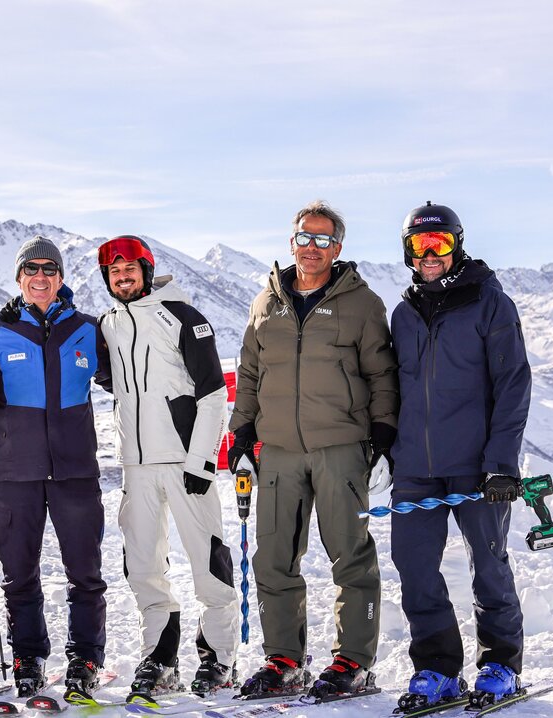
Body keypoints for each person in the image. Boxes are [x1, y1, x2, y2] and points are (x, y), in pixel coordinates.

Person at [229, 200, 398, 699]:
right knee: (274, 557)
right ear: (292, 241)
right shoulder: (267, 301)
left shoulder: (362, 303)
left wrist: (383, 440)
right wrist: (240, 437)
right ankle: (283, 660)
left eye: (324, 240)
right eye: (306, 237)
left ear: (337, 247)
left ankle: (354, 662)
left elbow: (382, 376)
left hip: (340, 447)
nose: (313, 247)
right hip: (278, 449)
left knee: (351, 557)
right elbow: (250, 375)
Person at [0, 236, 108, 699]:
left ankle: (85, 659)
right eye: (31, 270)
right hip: (16, 472)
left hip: (76, 471)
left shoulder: (87, 329)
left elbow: (127, 383)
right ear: (19, 277)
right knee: (19, 572)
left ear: (60, 278)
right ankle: (28, 656)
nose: (40, 277)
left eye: (50, 269)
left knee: (85, 571)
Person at [388, 202, 532, 709]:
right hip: (415, 468)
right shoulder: (403, 313)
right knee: (413, 567)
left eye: (439, 244)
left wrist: (502, 462)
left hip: (477, 465)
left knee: (488, 565)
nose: (429, 255)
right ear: (408, 250)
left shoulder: (490, 303)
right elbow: (395, 390)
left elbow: (513, 384)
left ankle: (500, 664)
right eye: (420, 246)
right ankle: (436, 668)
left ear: (457, 245)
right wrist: (390, 448)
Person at [92, 235, 238, 696]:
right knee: (143, 568)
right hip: (136, 467)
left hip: (183, 462)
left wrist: (201, 461)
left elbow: (213, 392)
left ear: (147, 270)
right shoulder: (108, 323)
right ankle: (160, 659)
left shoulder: (183, 316)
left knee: (207, 563)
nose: (123, 276)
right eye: (114, 272)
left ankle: (218, 658)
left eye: (130, 268)